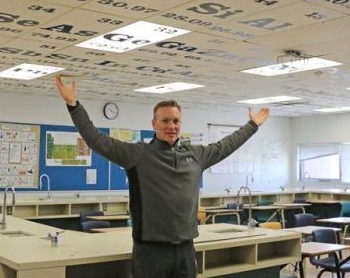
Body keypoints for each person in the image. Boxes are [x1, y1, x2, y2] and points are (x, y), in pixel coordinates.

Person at [55, 75, 270, 278]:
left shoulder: (197, 155)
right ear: (153, 124)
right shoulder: (137, 155)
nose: (171, 126)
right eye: (165, 121)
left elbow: (227, 145)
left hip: (185, 249)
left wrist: (252, 125)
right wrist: (74, 105)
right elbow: (95, 139)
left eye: (176, 121)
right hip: (150, 252)